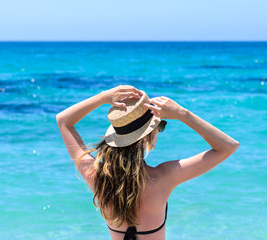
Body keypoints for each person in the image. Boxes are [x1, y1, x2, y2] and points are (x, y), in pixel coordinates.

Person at [56, 85, 239, 240]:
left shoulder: (95, 176)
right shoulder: (164, 177)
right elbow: (227, 146)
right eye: (160, 126)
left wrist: (104, 97)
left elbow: (63, 121)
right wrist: (183, 114)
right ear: (148, 136)